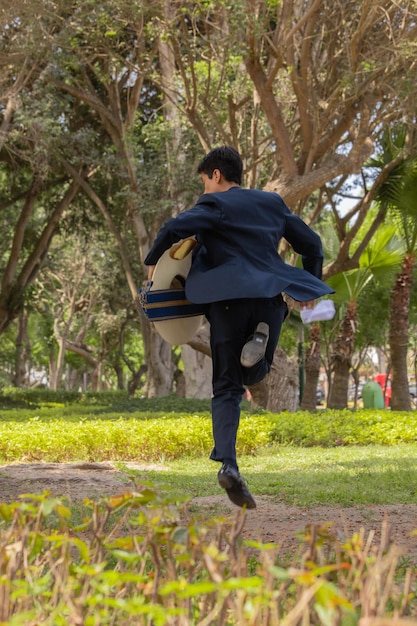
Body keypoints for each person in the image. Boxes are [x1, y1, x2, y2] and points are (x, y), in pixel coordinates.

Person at [145, 146, 333, 509]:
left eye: (204, 182)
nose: (204, 190)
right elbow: (312, 244)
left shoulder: (214, 205)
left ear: (216, 175)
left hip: (226, 302)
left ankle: (228, 465)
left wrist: (152, 265)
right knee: (256, 372)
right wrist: (310, 284)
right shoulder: (272, 203)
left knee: (227, 388)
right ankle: (259, 339)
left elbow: (172, 228)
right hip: (268, 298)